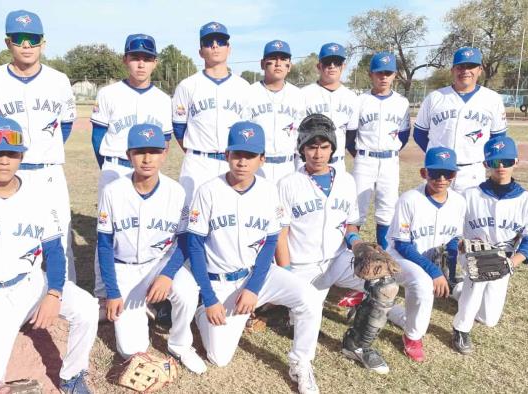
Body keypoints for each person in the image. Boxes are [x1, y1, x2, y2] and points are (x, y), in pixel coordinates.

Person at [0, 117, 98, 393]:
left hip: (32, 284)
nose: (4, 160)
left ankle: (71, 376)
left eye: (11, 153)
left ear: (21, 155)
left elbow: (55, 252)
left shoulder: (39, 196)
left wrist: (54, 294)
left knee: (87, 308)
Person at [185, 121, 322, 394]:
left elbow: (271, 241)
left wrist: (253, 288)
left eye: (250, 156)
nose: (242, 162)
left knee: (308, 296)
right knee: (220, 358)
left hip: (256, 276)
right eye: (237, 154)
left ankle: (301, 362)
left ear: (262, 159)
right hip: (220, 282)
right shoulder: (208, 190)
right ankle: (202, 313)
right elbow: (195, 245)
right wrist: (210, 299)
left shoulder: (269, 191)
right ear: (226, 155)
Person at [275, 114, 398, 375]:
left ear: (332, 148)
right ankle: (298, 350)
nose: (317, 153)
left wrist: (356, 244)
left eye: (323, 146)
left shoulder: (346, 180)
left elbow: (349, 225)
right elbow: (281, 234)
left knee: (385, 285)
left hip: (337, 258)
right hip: (302, 265)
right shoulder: (287, 184)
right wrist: (285, 275)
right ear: (302, 149)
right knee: (304, 321)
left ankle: (357, 344)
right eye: (311, 146)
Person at [0, 10, 78, 281]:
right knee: (13, 237)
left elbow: (65, 125)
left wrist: (45, 151)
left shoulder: (59, 80)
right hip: (10, 172)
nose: (26, 45)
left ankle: (64, 301)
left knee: (61, 238)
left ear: (42, 43)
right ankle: (16, 299)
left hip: (49, 172)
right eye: (19, 39)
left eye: (33, 39)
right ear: (8, 42)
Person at [96, 123, 205, 374]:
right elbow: (103, 246)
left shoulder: (176, 192)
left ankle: (180, 344)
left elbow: (185, 241)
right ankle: (139, 307)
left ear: (164, 153)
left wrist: (167, 275)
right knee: (132, 351)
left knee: (188, 292)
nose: (147, 158)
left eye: (154, 151)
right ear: (128, 155)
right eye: (140, 151)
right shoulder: (113, 192)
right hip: (124, 267)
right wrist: (112, 291)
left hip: (159, 262)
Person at [90, 33, 172, 299]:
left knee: (144, 227)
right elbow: (97, 136)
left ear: (155, 63)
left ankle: (148, 288)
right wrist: (108, 165)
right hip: (115, 165)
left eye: (147, 58)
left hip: (147, 167)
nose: (141, 63)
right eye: (135, 57)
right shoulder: (109, 93)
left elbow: (166, 139)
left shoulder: (163, 99)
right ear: (125, 59)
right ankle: (104, 293)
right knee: (108, 231)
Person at [451, 136, 528, 355]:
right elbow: (452, 231)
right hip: (473, 255)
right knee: (480, 273)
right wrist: (462, 245)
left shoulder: (526, 200)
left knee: (489, 319)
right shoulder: (470, 195)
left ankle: (458, 290)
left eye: (507, 161)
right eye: (494, 162)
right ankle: (461, 329)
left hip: (504, 260)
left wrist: (510, 263)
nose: (501, 166)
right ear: (485, 164)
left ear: (516, 162)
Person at [385, 147, 465, 362]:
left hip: (431, 262)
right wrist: (433, 272)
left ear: (454, 175)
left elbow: (453, 240)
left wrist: (449, 271)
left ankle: (386, 309)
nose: (441, 179)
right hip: (399, 258)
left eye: (447, 174)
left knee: (427, 287)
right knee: (422, 282)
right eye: (434, 173)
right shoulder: (409, 199)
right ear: (424, 173)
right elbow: (402, 244)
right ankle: (412, 337)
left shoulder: (459, 202)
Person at [172, 21, 250, 208]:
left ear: (228, 48)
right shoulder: (188, 85)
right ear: (200, 51)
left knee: (229, 214)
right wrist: (196, 150)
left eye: (221, 41)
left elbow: (247, 127)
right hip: (197, 162)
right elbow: (179, 127)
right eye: (208, 42)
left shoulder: (243, 87)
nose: (215, 45)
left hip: (231, 162)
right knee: (191, 214)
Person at [413, 47, 508, 193]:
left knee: (472, 215)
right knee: (436, 213)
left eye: (471, 66)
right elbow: (419, 134)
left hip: (473, 171)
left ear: (480, 70)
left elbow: (498, 138)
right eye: (460, 66)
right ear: (452, 70)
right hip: (439, 171)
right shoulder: (435, 98)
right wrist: (437, 157)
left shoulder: (492, 99)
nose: (465, 71)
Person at [346, 51, 410, 249]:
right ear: (370, 74)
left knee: (387, 210)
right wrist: (362, 156)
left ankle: (385, 256)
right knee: (356, 209)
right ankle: (351, 255)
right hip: (365, 159)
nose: (383, 77)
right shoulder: (359, 100)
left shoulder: (402, 102)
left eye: (388, 73)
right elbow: (351, 136)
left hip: (390, 161)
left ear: (395, 75)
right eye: (379, 72)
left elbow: (404, 134)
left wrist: (391, 151)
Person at [246, 39, 305, 182]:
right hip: (257, 165)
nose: (278, 63)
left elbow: (301, 135)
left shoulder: (298, 95)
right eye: (272, 58)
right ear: (262, 64)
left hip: (288, 165)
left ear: (289, 66)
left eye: (283, 59)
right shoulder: (248, 93)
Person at [301, 42, 358, 173]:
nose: (332, 66)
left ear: (343, 66)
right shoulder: (304, 94)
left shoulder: (351, 97)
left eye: (337, 62)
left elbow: (351, 133)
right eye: (327, 62)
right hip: (308, 161)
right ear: (319, 66)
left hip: (338, 162)